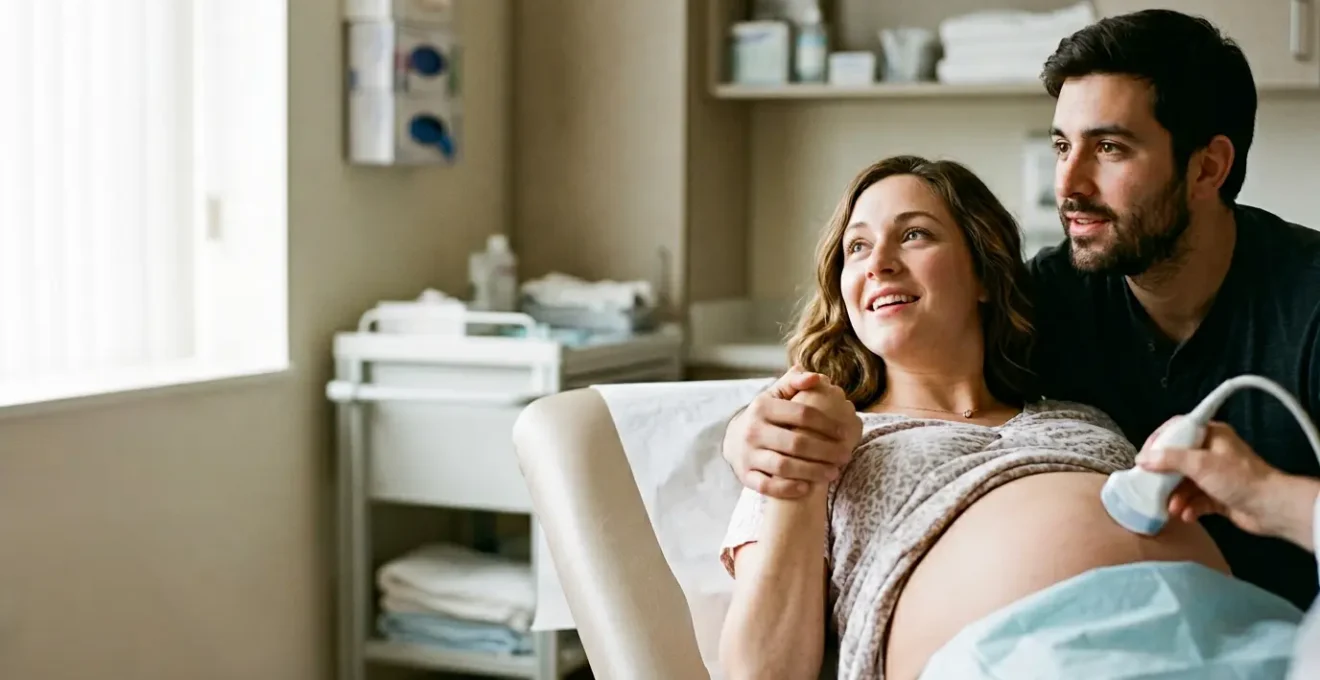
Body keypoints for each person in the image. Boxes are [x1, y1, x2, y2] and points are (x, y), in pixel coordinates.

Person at [720, 8, 1320, 612]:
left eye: (1109, 147)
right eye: (1063, 145)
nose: (1070, 184)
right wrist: (745, 432)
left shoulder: (1308, 302)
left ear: (1207, 167)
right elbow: (914, 350)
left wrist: (1269, 495)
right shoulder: (1051, 301)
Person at [716, 155, 1299, 680]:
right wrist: (800, 473)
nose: (880, 264)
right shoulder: (812, 437)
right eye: (857, 247)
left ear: (984, 276)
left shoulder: (1081, 411)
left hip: (1236, 638)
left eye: (914, 234)